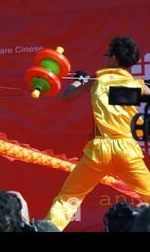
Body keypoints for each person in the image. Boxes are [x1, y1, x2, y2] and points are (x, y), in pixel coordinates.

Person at [45, 36, 150, 231]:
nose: (105, 57)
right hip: (127, 151)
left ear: (114, 59)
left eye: (107, 53)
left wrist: (79, 81)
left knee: (67, 200)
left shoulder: (97, 78)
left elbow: (66, 96)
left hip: (99, 151)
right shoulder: (138, 85)